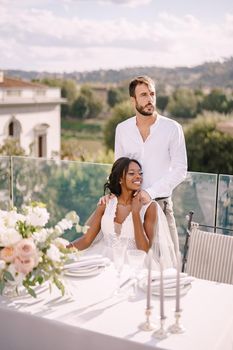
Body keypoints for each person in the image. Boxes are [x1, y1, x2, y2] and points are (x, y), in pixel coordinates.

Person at [114, 76, 187, 254]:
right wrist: (113, 195)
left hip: (161, 206)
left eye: (152, 94)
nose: (150, 99)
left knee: (169, 265)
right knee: (133, 263)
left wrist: (150, 192)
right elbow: (119, 170)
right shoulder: (122, 129)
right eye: (144, 95)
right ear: (133, 100)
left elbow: (180, 169)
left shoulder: (172, 128)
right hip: (131, 207)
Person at [68, 157, 176, 268]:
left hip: (134, 265)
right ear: (120, 179)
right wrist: (61, 250)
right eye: (131, 173)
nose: (138, 176)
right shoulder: (106, 203)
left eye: (140, 173)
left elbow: (144, 249)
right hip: (102, 260)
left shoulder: (150, 207)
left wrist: (135, 213)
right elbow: (86, 240)